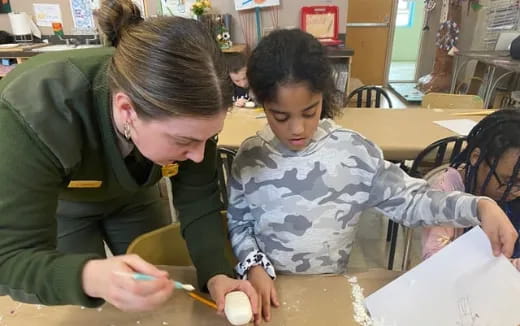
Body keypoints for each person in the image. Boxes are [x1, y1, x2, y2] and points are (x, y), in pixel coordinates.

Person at [226, 29, 517, 323]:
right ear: (263, 103)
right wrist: (254, 265)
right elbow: (239, 224)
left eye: (309, 111)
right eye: (281, 116)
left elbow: (413, 201)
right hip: (268, 294)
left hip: (330, 293)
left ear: (323, 98)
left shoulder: (353, 154)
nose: (297, 129)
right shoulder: (251, 158)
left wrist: (478, 207)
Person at [0, 0, 258, 316]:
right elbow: (9, 260)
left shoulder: (188, 111)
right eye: (184, 141)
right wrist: (87, 277)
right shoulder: (32, 112)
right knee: (83, 304)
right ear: (126, 111)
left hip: (134, 192)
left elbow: (199, 198)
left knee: (149, 294)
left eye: (208, 138)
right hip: (63, 202)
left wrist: (218, 272)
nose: (199, 155)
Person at [422, 110, 520, 268]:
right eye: (509, 181)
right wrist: (510, 266)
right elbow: (435, 258)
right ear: (476, 158)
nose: (517, 192)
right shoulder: (445, 191)